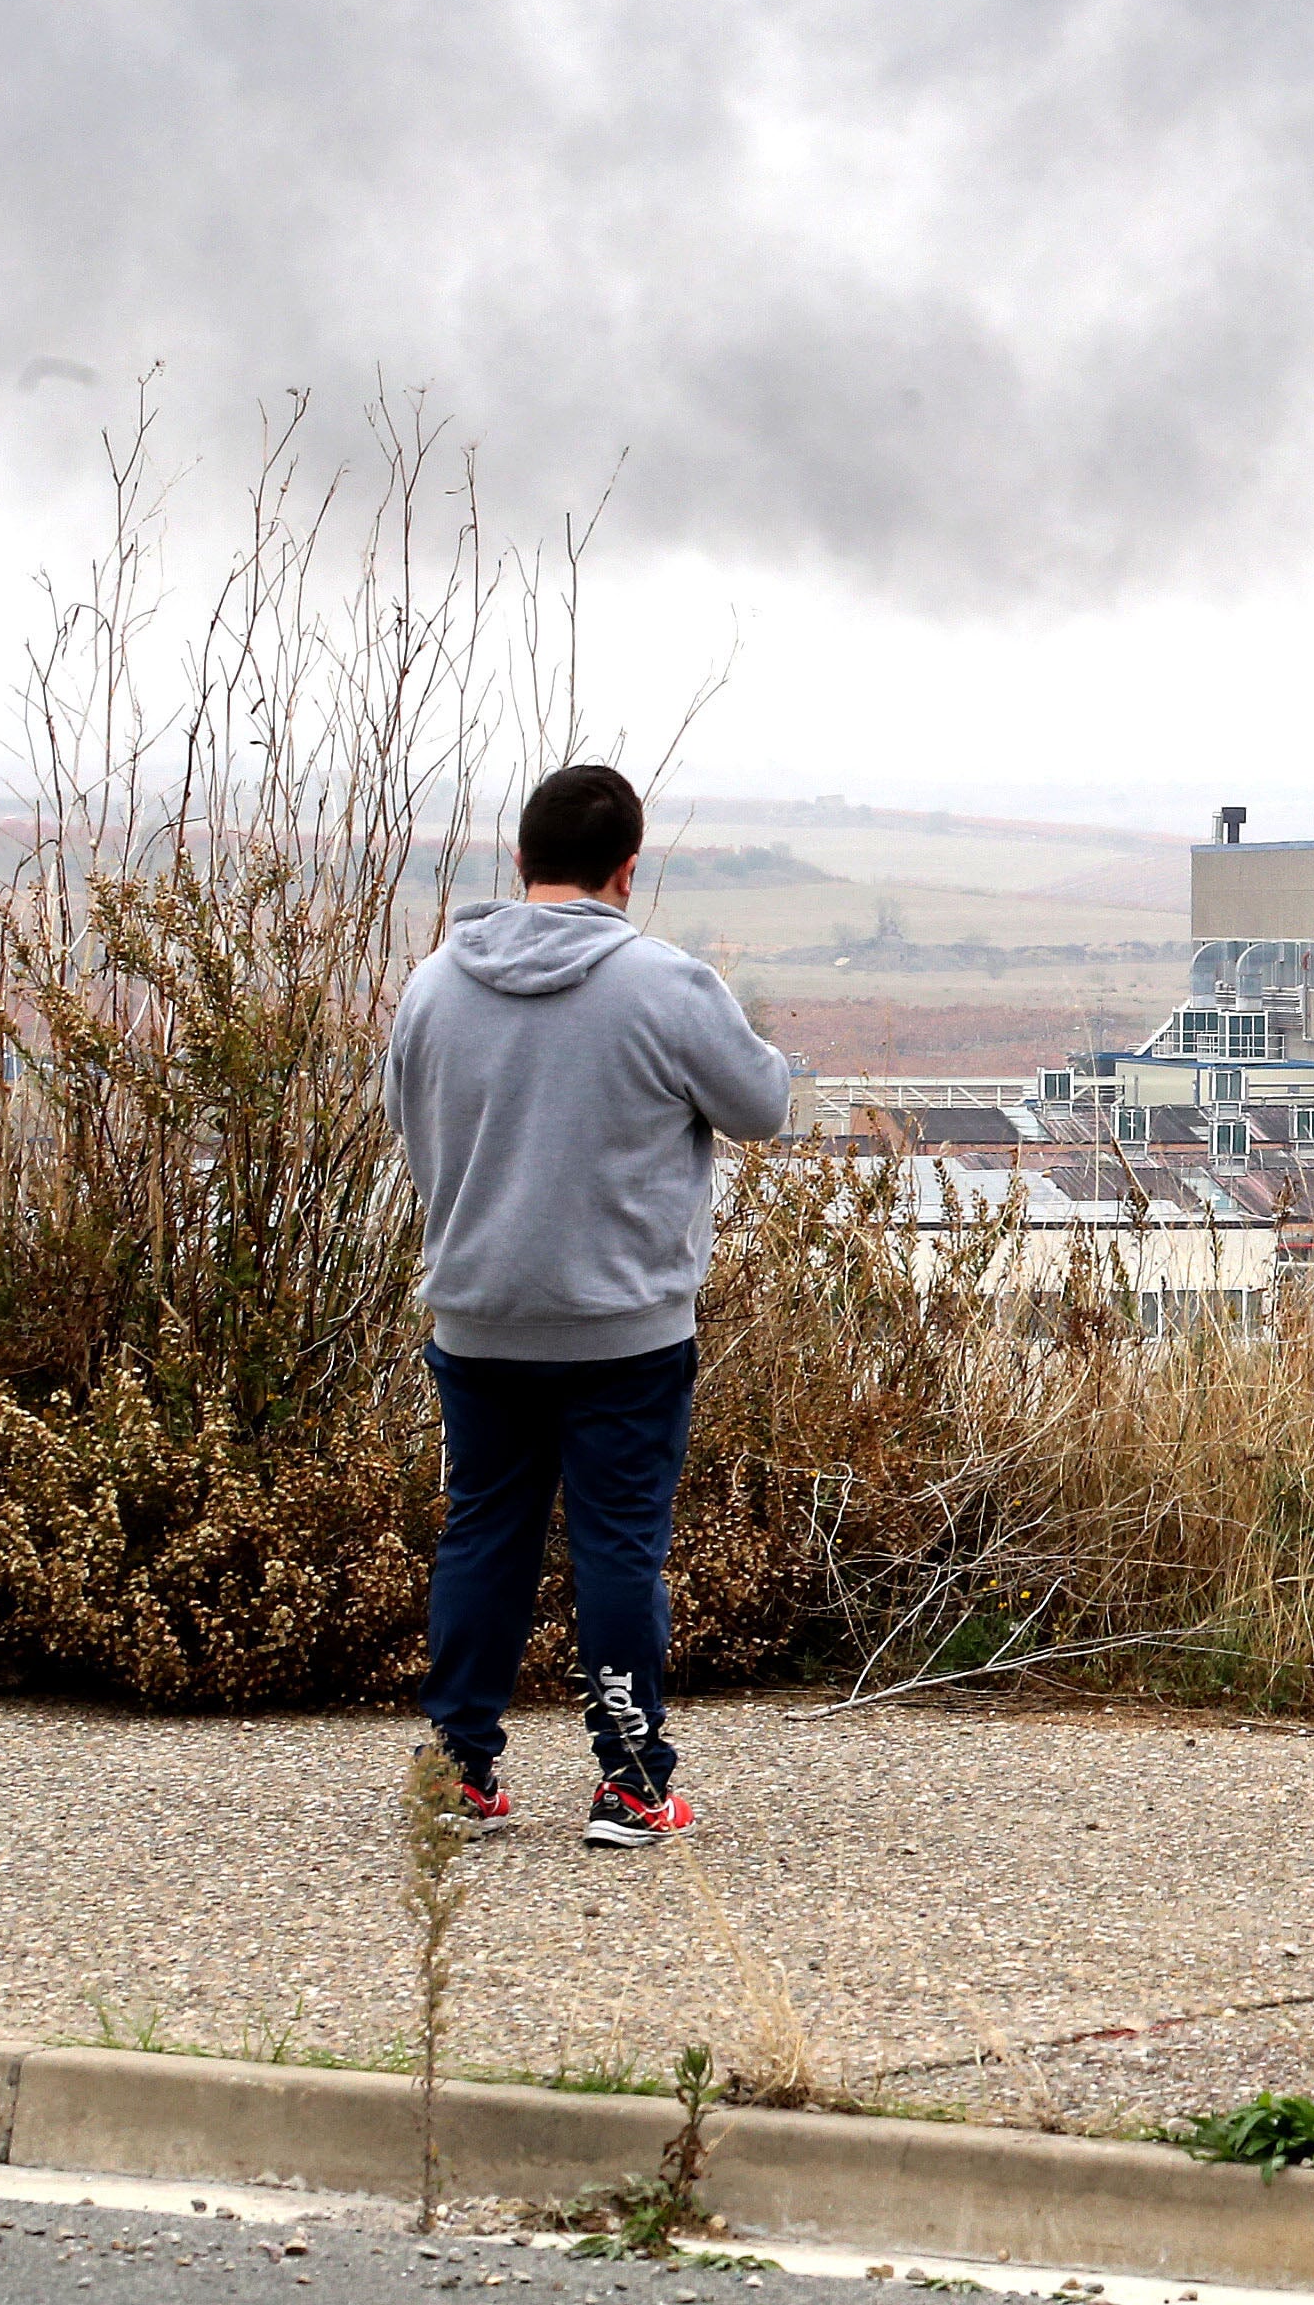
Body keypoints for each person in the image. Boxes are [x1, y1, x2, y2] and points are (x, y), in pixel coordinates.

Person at [388, 763, 791, 1846]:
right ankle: (628, 1782)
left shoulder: (432, 986)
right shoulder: (666, 986)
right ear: (628, 869)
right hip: (626, 1327)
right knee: (618, 1547)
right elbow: (764, 1106)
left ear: (519, 861)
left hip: (476, 1316)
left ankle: (459, 1773)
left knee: (484, 1531)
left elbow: (408, 1116)